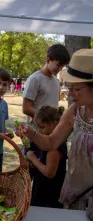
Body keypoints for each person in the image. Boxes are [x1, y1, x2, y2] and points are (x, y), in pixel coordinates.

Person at [16, 49, 93, 210]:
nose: (71, 95)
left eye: (76, 89)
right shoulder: (75, 111)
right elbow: (51, 143)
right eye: (69, 88)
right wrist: (31, 132)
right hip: (76, 193)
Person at [25, 105, 67, 208]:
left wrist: (33, 159)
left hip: (49, 195)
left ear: (55, 124)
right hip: (42, 189)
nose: (39, 131)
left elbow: (49, 173)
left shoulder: (55, 147)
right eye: (38, 127)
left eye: (42, 127)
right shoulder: (47, 141)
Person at [22, 44, 70, 120]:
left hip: (52, 129)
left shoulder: (57, 82)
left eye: (62, 66)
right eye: (58, 65)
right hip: (36, 129)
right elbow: (26, 108)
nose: (60, 69)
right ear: (48, 60)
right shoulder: (35, 79)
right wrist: (47, 119)